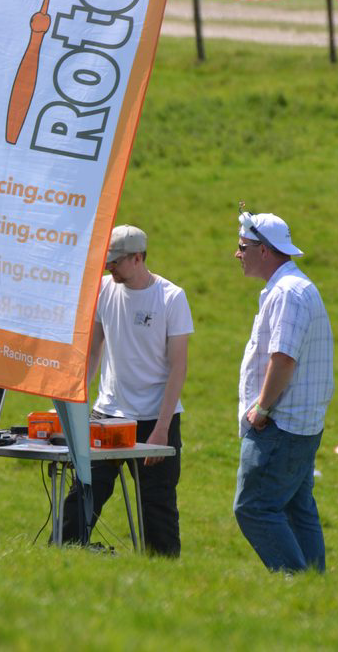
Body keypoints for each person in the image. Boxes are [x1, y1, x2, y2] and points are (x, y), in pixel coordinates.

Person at [62, 225, 193, 557]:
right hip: (108, 415)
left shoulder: (171, 298)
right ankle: (62, 554)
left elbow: (178, 367)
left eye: (116, 262)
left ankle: (163, 574)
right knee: (85, 490)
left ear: (138, 258)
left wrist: (162, 429)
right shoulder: (104, 290)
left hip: (155, 418)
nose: (109, 268)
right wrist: (77, 401)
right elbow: (93, 351)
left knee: (157, 504)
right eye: (107, 262)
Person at [234, 212, 333, 573]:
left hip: (280, 426)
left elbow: (284, 359)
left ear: (265, 250)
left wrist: (262, 408)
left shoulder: (287, 293)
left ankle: (294, 581)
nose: (237, 254)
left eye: (243, 247)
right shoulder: (297, 286)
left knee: (253, 508)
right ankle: (313, 591)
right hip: (301, 424)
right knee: (296, 505)